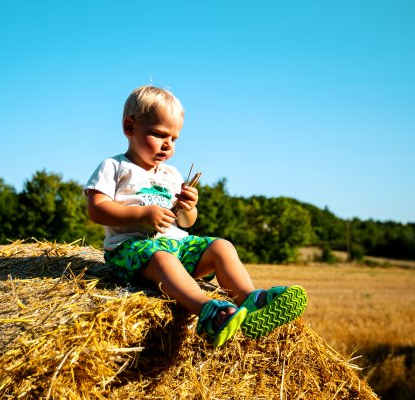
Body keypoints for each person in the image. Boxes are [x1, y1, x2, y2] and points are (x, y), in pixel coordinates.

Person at [84, 86, 307, 347]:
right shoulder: (115, 166)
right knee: (162, 258)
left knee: (222, 246)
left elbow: (187, 223)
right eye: (158, 135)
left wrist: (189, 206)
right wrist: (143, 214)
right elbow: (96, 208)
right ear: (130, 127)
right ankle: (209, 311)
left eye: (174, 139)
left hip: (177, 245)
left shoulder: (171, 174)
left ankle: (249, 300)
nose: (167, 145)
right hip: (132, 251)